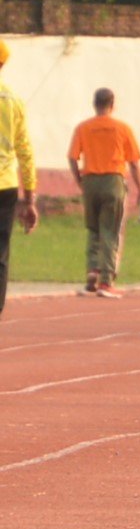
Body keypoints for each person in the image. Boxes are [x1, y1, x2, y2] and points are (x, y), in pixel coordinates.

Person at [66, 88, 140, 298]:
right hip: (113, 181)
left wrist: (79, 180)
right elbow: (134, 163)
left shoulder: (83, 128)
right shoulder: (122, 128)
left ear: (94, 104)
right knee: (111, 230)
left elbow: (72, 157)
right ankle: (106, 280)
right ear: (112, 104)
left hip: (90, 181)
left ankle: (92, 271)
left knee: (93, 228)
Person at [0, 40, 39, 319]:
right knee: (1, 252)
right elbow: (25, 150)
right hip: (6, 186)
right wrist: (30, 197)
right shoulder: (13, 101)